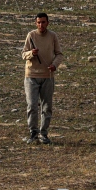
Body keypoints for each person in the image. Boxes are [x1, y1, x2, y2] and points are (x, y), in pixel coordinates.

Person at [22, 13, 63, 145]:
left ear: (48, 23)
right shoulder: (31, 35)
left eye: (43, 22)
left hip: (48, 76)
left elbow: (59, 54)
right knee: (32, 105)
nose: (41, 25)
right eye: (39, 22)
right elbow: (23, 54)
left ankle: (44, 133)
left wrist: (54, 65)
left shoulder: (53, 36)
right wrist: (31, 53)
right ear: (36, 23)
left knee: (47, 107)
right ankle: (33, 132)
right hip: (31, 76)